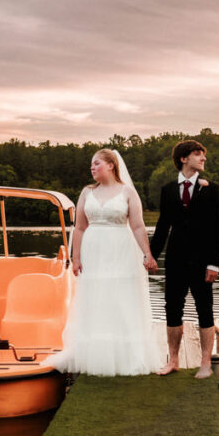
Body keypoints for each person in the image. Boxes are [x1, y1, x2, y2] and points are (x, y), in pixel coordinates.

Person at [46, 149, 161, 376]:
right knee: (95, 297)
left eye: (96, 163)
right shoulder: (87, 192)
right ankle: (94, 354)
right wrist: (75, 257)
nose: (92, 168)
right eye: (91, 165)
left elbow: (137, 226)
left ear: (111, 165)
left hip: (120, 249)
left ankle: (125, 356)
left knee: (119, 298)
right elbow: (79, 227)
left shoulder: (127, 192)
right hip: (93, 250)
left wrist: (147, 253)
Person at [149, 139, 219, 379]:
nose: (203, 159)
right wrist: (151, 256)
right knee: (173, 309)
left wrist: (214, 263)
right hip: (175, 260)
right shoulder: (168, 190)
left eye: (203, 155)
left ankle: (204, 362)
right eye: (198, 155)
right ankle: (173, 360)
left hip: (204, 262)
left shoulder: (212, 189)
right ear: (183, 159)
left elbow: (217, 228)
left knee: (205, 309)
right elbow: (163, 227)